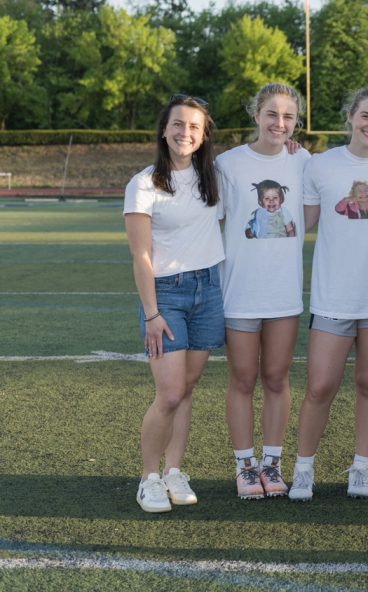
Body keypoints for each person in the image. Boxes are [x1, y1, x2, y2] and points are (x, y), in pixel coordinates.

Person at [290, 87, 368, 501]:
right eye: (366, 117)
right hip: (333, 296)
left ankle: (361, 467)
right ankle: (303, 469)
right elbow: (302, 223)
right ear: (350, 117)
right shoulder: (319, 166)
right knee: (320, 386)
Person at [124, 94, 224, 513]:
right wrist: (151, 313)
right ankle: (149, 478)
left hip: (209, 290)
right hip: (167, 294)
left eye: (194, 127)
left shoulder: (214, 176)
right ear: (164, 130)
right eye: (178, 125)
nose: (186, 133)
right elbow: (141, 255)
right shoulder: (144, 183)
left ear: (203, 137)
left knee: (186, 391)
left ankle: (174, 470)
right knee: (168, 394)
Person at [216, 83, 311, 500]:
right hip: (239, 291)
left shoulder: (305, 161)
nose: (280, 123)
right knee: (242, 379)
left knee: (276, 378)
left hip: (283, 292)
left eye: (288, 116)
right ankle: (244, 466)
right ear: (256, 114)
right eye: (272, 114)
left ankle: (272, 464)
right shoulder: (227, 163)